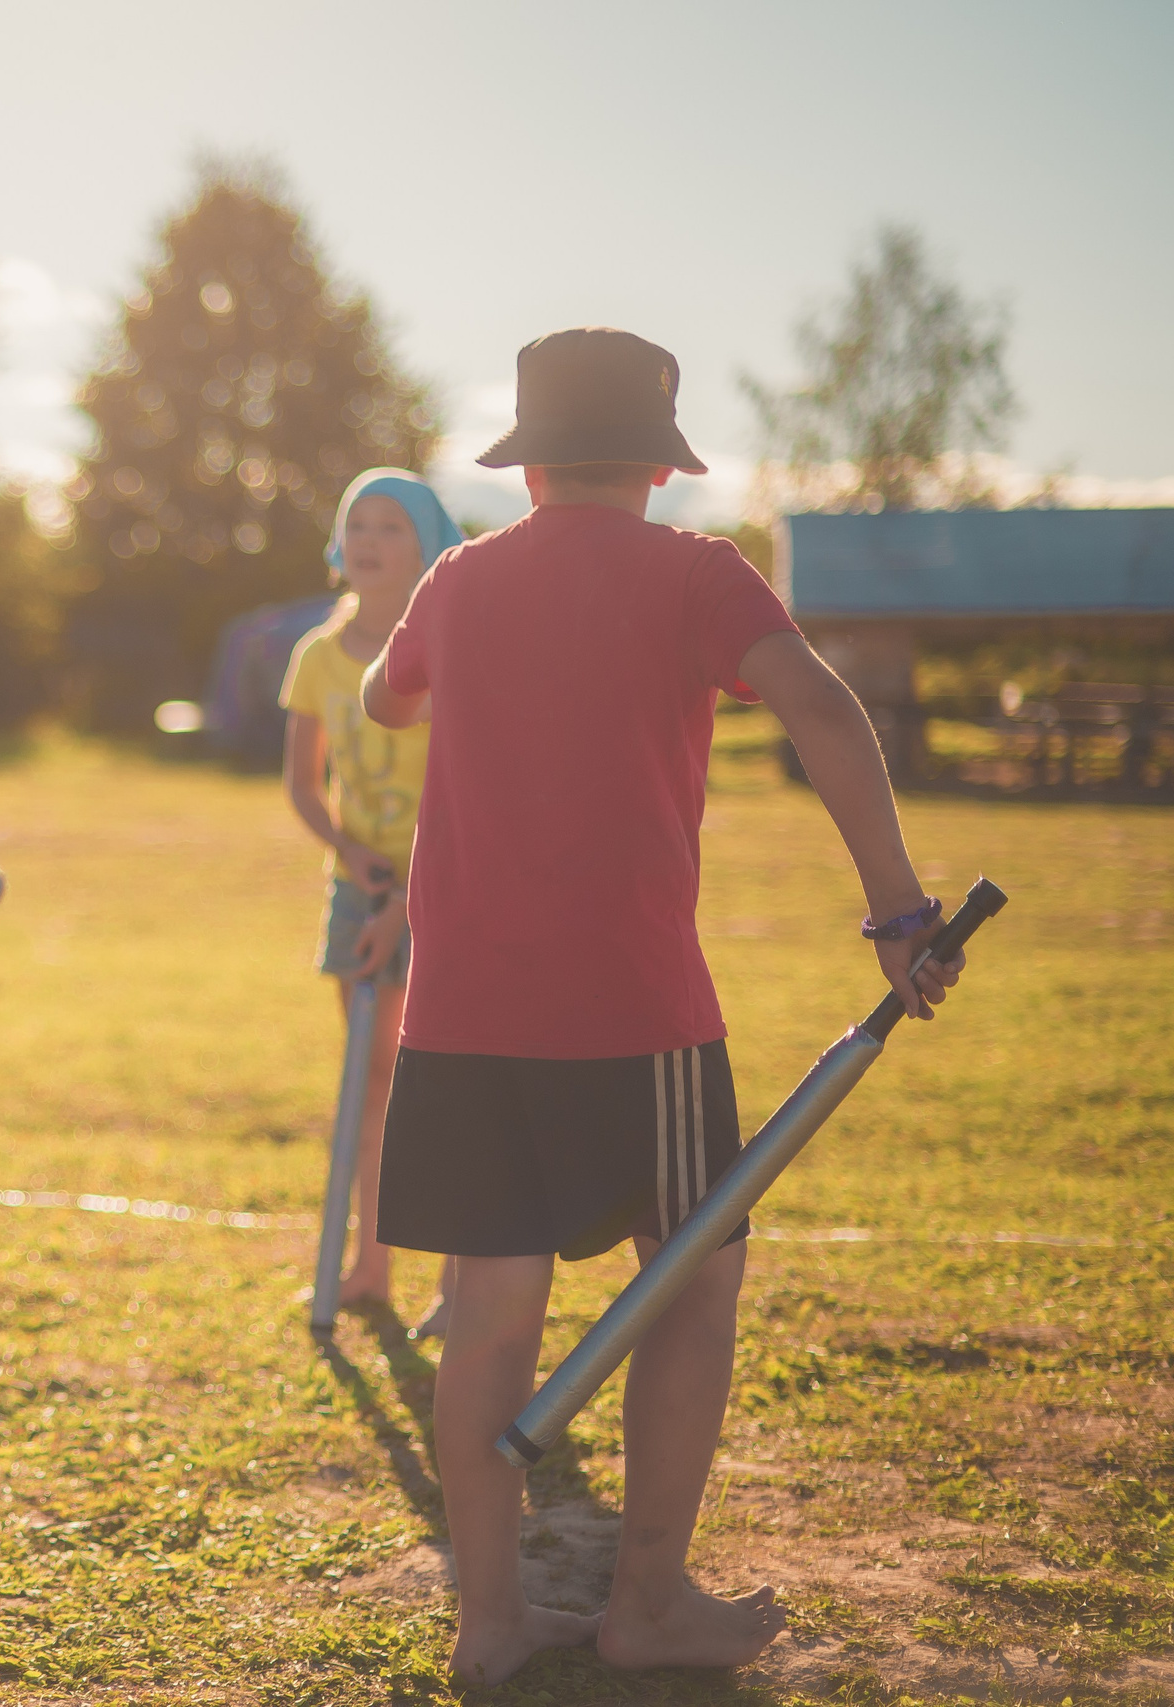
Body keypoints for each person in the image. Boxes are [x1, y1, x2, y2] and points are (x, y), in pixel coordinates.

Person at [360, 327, 962, 1687]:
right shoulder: (699, 573)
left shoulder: (456, 580)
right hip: (637, 1013)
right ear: (658, 464)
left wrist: (408, 644)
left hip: (461, 1017)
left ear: (526, 468)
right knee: (688, 1283)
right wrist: (897, 909)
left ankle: (489, 1622)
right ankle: (646, 1604)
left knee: (487, 1305)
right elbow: (819, 707)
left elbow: (384, 701)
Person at [280, 468, 463, 1339]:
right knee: (371, 1080)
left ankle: (459, 1283)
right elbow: (302, 783)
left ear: (427, 545)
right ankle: (370, 1265)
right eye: (358, 522)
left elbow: (468, 787)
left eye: (392, 524)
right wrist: (350, 853)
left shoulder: (449, 644)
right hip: (360, 892)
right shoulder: (317, 656)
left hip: (451, 888)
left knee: (451, 1082)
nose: (370, 539)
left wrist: (412, 899)